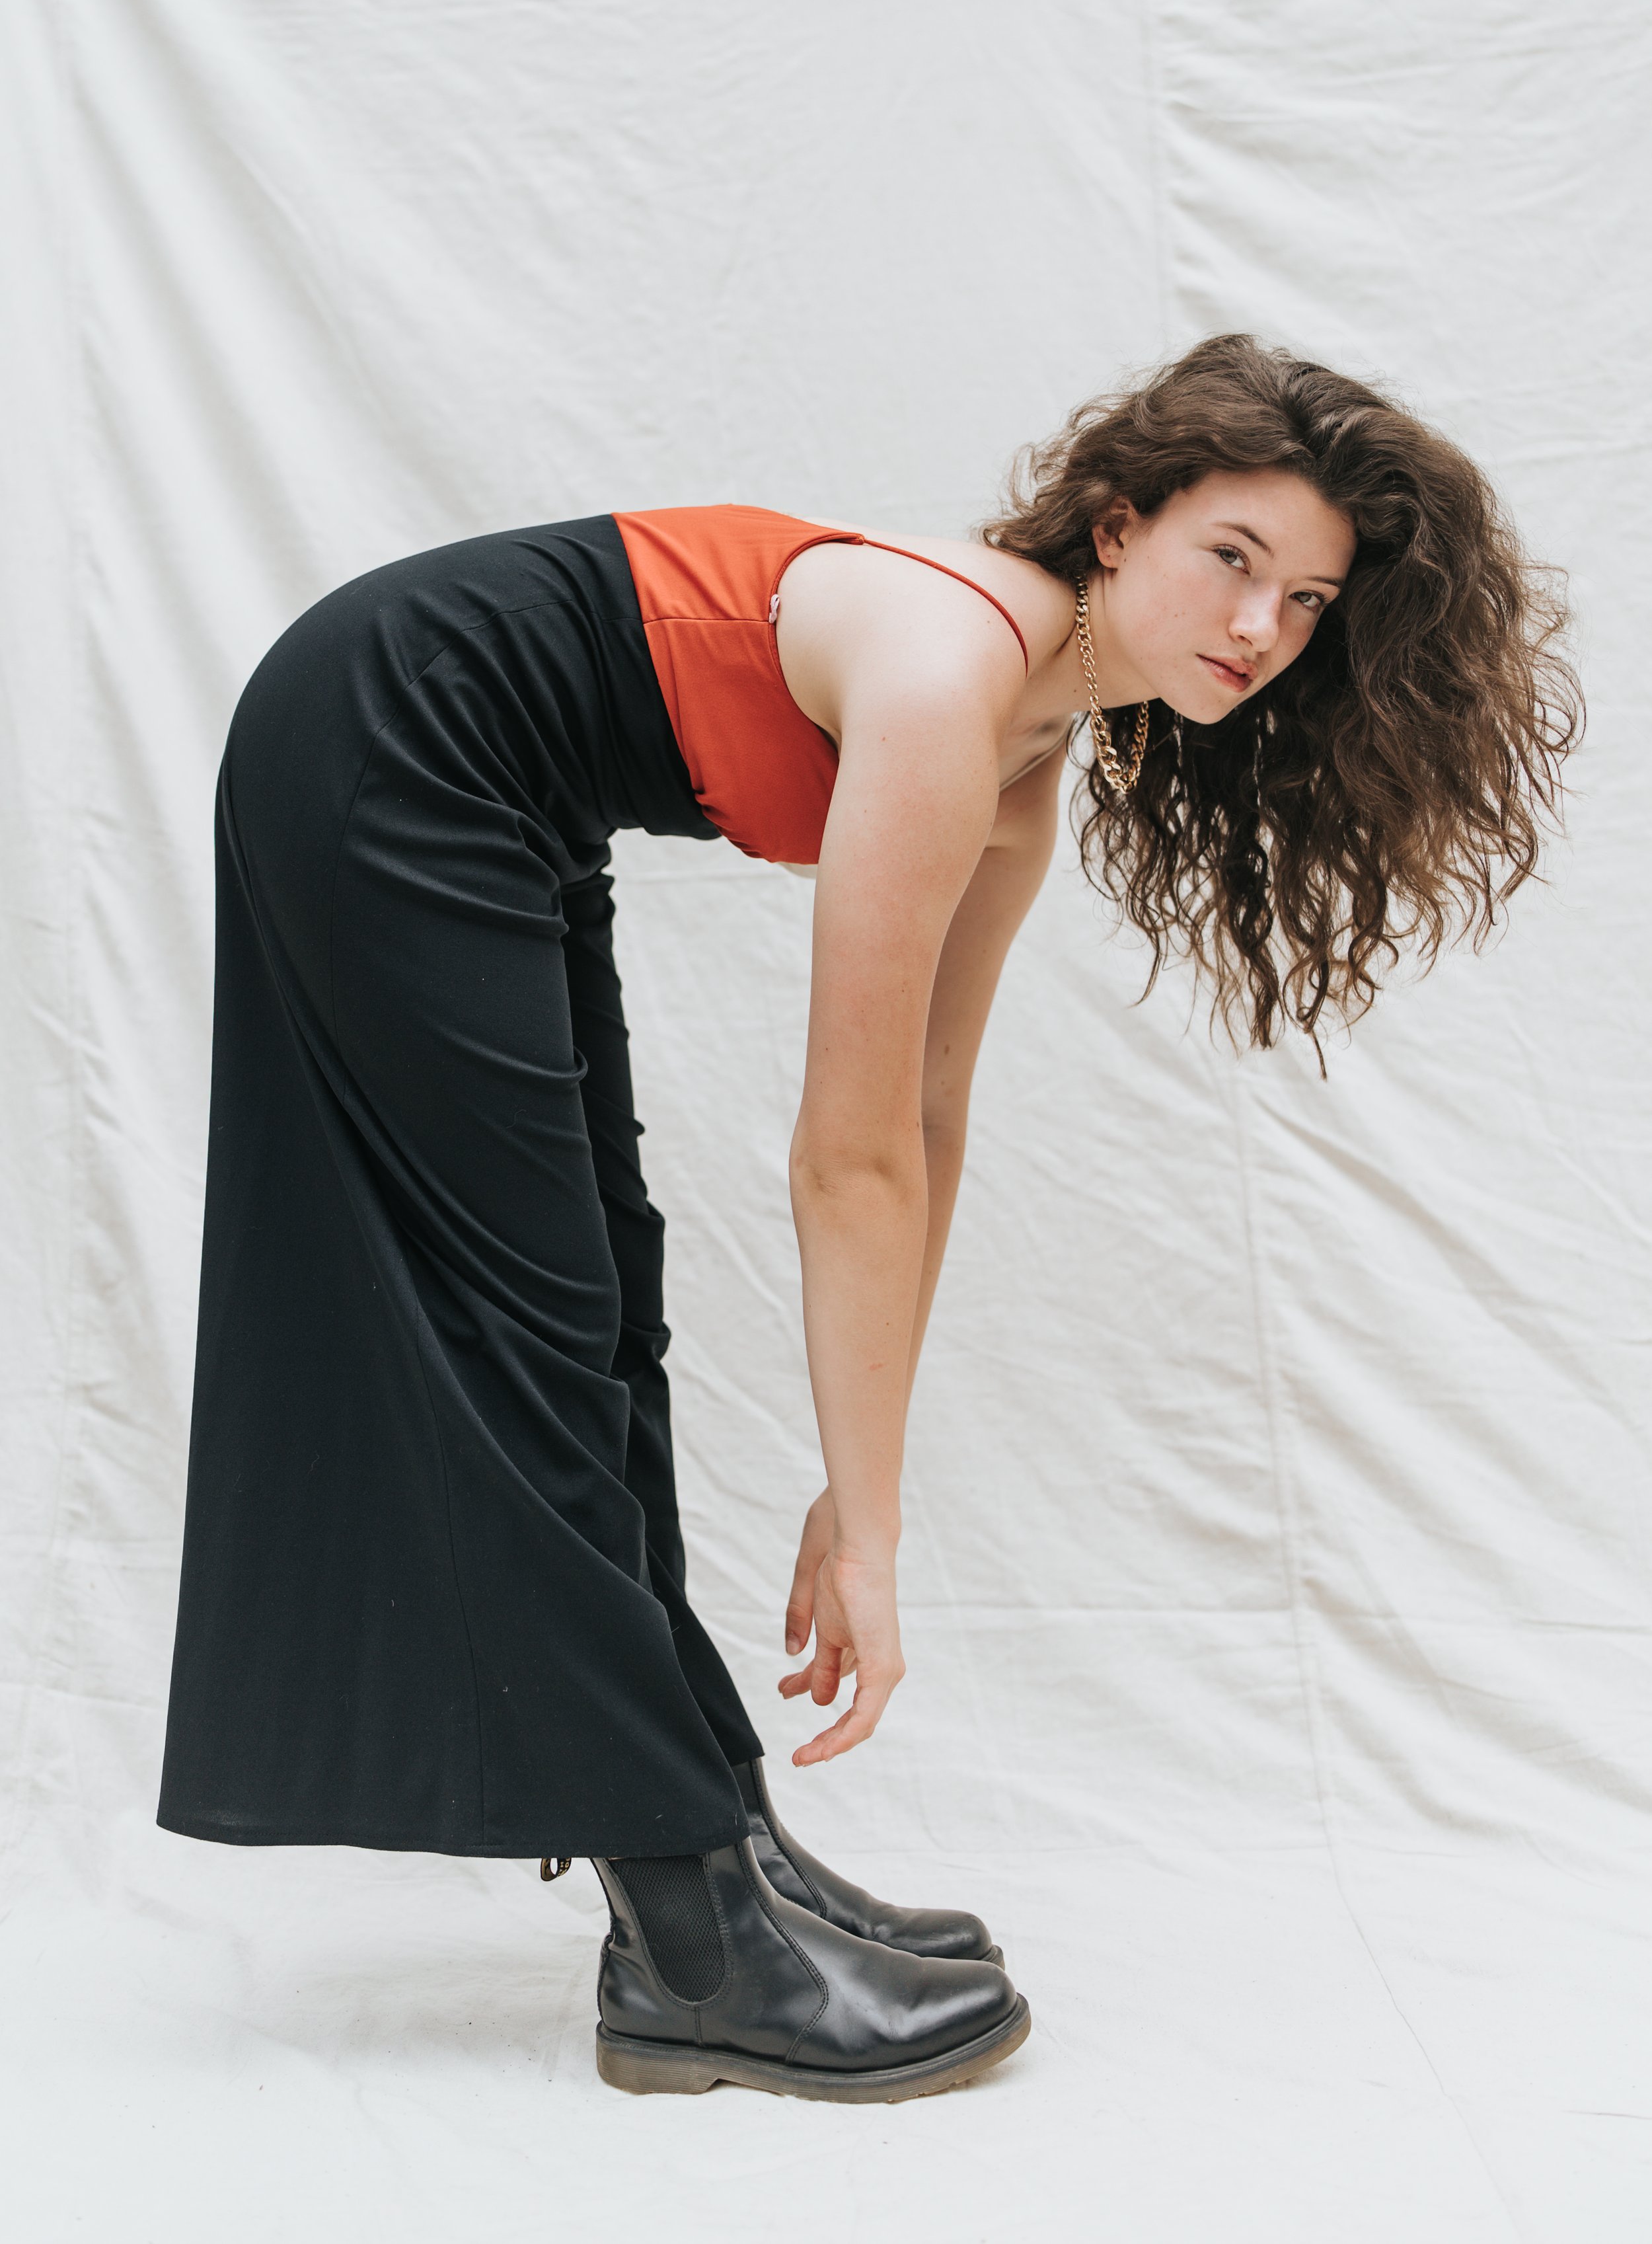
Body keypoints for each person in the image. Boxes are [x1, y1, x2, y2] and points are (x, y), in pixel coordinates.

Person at [157, 334, 1579, 2101]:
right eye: (1231, 559)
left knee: (601, 1318)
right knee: (527, 1334)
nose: (1259, 626)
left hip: (487, 793)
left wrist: (860, 1471)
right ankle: (690, 1936)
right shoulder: (940, 671)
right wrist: (879, 1532)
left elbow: (923, 1114)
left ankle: (710, 1839)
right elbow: (844, 1155)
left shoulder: (1027, 753)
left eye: (1304, 601)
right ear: (1117, 523)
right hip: (383, 748)